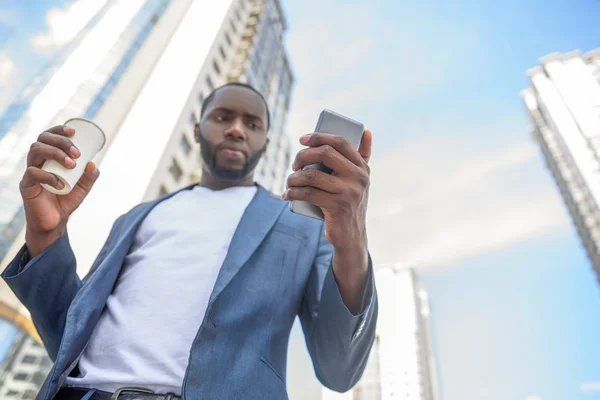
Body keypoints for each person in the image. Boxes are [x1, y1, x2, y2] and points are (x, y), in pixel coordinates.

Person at [3, 82, 378, 400]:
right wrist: (46, 233)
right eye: (222, 117)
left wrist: (351, 241)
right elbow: (68, 338)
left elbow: (339, 368)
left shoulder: (304, 226)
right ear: (197, 130)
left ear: (265, 142)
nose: (236, 129)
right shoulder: (137, 217)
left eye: (252, 123)